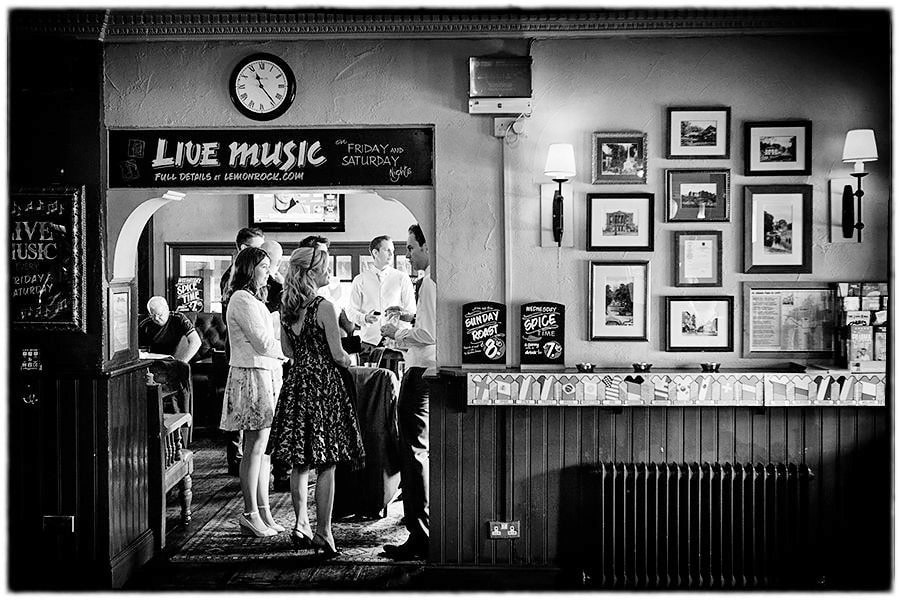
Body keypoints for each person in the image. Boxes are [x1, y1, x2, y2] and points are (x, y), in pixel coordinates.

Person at [267, 246, 365, 558]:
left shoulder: (287, 307)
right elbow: (338, 355)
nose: (328, 274)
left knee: (300, 460)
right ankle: (323, 531)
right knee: (327, 461)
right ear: (311, 273)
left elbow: (289, 351)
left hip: (296, 384)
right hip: (323, 387)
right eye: (324, 269)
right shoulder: (324, 306)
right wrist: (350, 361)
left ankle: (300, 524)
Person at [220, 246, 285, 538]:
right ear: (249, 269)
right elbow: (262, 343)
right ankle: (249, 513)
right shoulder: (241, 299)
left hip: (265, 374)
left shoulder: (254, 298)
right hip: (251, 376)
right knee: (254, 448)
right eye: (263, 267)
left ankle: (264, 511)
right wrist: (290, 351)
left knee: (264, 450)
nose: (268, 273)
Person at [379, 223, 435, 560]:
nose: (408, 254)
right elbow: (429, 324)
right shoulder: (432, 280)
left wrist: (395, 333)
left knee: (413, 453)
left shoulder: (428, 280)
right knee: (419, 453)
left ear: (427, 247)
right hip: (429, 368)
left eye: (412, 247)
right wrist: (410, 316)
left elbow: (428, 335)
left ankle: (420, 535)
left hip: (420, 370)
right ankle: (423, 530)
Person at [221, 227, 266, 475]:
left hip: (258, 359)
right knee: (246, 426)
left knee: (258, 438)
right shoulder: (237, 288)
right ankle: (237, 464)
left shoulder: (256, 289)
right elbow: (260, 338)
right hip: (242, 355)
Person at [345, 235, 416, 366]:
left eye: (392, 251)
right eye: (387, 250)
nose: (391, 254)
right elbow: (350, 311)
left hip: (397, 345)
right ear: (375, 253)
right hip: (369, 344)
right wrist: (364, 318)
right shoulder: (360, 280)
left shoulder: (402, 278)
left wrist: (400, 322)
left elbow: (412, 311)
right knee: (368, 384)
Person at [139, 296, 201, 362]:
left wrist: (183, 363)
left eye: (159, 314)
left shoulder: (179, 318)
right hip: (156, 361)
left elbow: (196, 341)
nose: (156, 318)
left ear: (167, 309)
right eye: (152, 315)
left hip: (178, 359)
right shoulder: (145, 324)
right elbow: (140, 349)